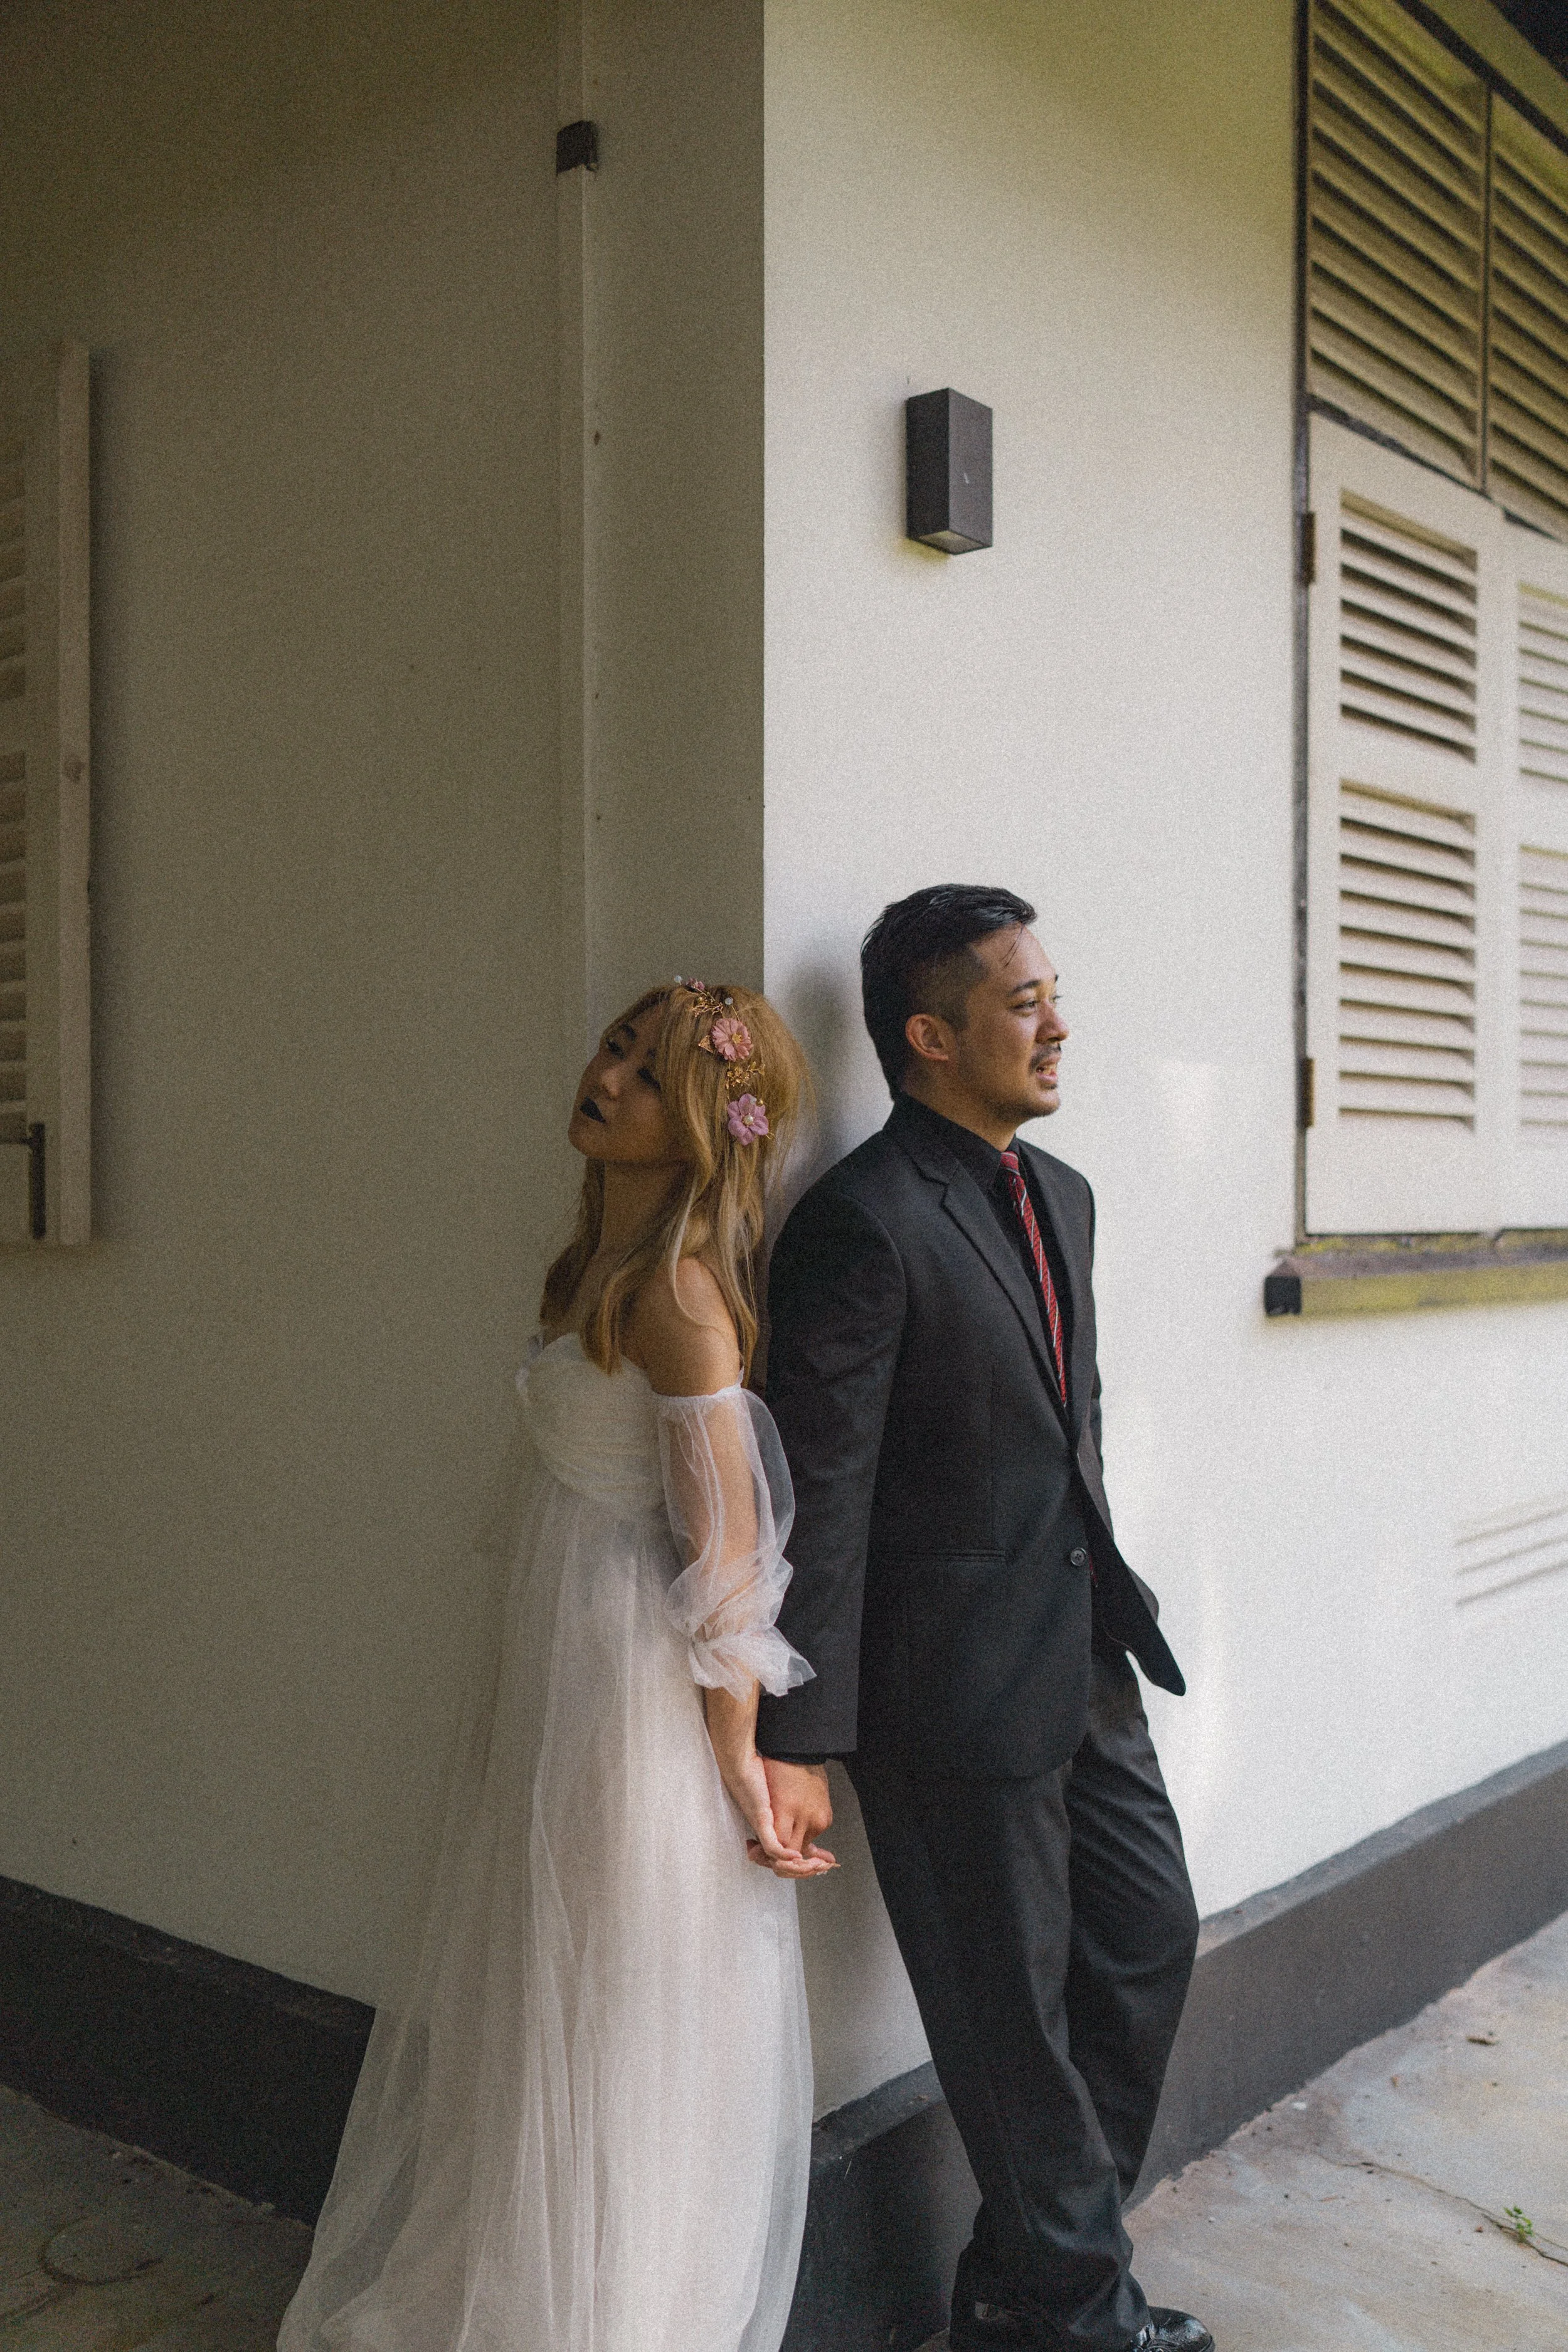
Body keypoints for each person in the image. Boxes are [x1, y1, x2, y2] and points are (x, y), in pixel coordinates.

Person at [278, 978, 834, 2352]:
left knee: (606, 2014)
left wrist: (730, 1767)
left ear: (703, 1123)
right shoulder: (588, 1268)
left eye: (646, 1074)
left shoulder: (675, 1297)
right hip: (554, 1661)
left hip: (626, 1695)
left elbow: (728, 1559)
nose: (605, 1080)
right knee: (539, 2000)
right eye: (609, 1050)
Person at [753, 886, 1211, 2352]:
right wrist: (797, 1735)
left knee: (1145, 1948)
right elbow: (816, 1499)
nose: (1058, 1022)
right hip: (942, 1700)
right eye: (1025, 1001)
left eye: (1051, 992)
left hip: (1083, 1660)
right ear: (929, 1036)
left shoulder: (1060, 1195)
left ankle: (1025, 2284)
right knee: (1004, 2025)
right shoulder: (861, 1226)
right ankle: (1072, 2319)